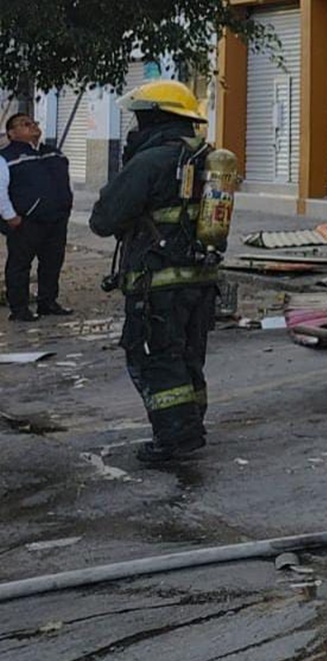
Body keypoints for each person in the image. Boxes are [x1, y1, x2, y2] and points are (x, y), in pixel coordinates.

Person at [89, 80, 216, 464]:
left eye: (141, 116)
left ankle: (176, 437)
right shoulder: (205, 157)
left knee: (154, 355)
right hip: (201, 277)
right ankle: (192, 423)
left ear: (156, 118)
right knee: (188, 354)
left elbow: (103, 219)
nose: (136, 125)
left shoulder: (149, 161)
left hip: (156, 281)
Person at [1, 113, 73, 322]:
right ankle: (20, 308)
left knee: (52, 262)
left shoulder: (53, 153)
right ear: (12, 133)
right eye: (25, 124)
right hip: (26, 221)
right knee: (20, 264)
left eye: (34, 123)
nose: (32, 126)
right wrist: (10, 216)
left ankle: (47, 302)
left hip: (56, 219)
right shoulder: (7, 157)